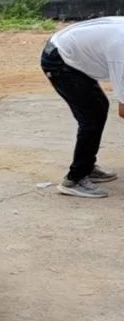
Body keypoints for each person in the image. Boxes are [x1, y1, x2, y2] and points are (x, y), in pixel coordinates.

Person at [41, 17, 124, 199]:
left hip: (71, 52)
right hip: (60, 61)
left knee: (99, 107)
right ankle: (75, 179)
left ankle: (88, 166)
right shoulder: (122, 53)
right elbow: (123, 110)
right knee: (92, 117)